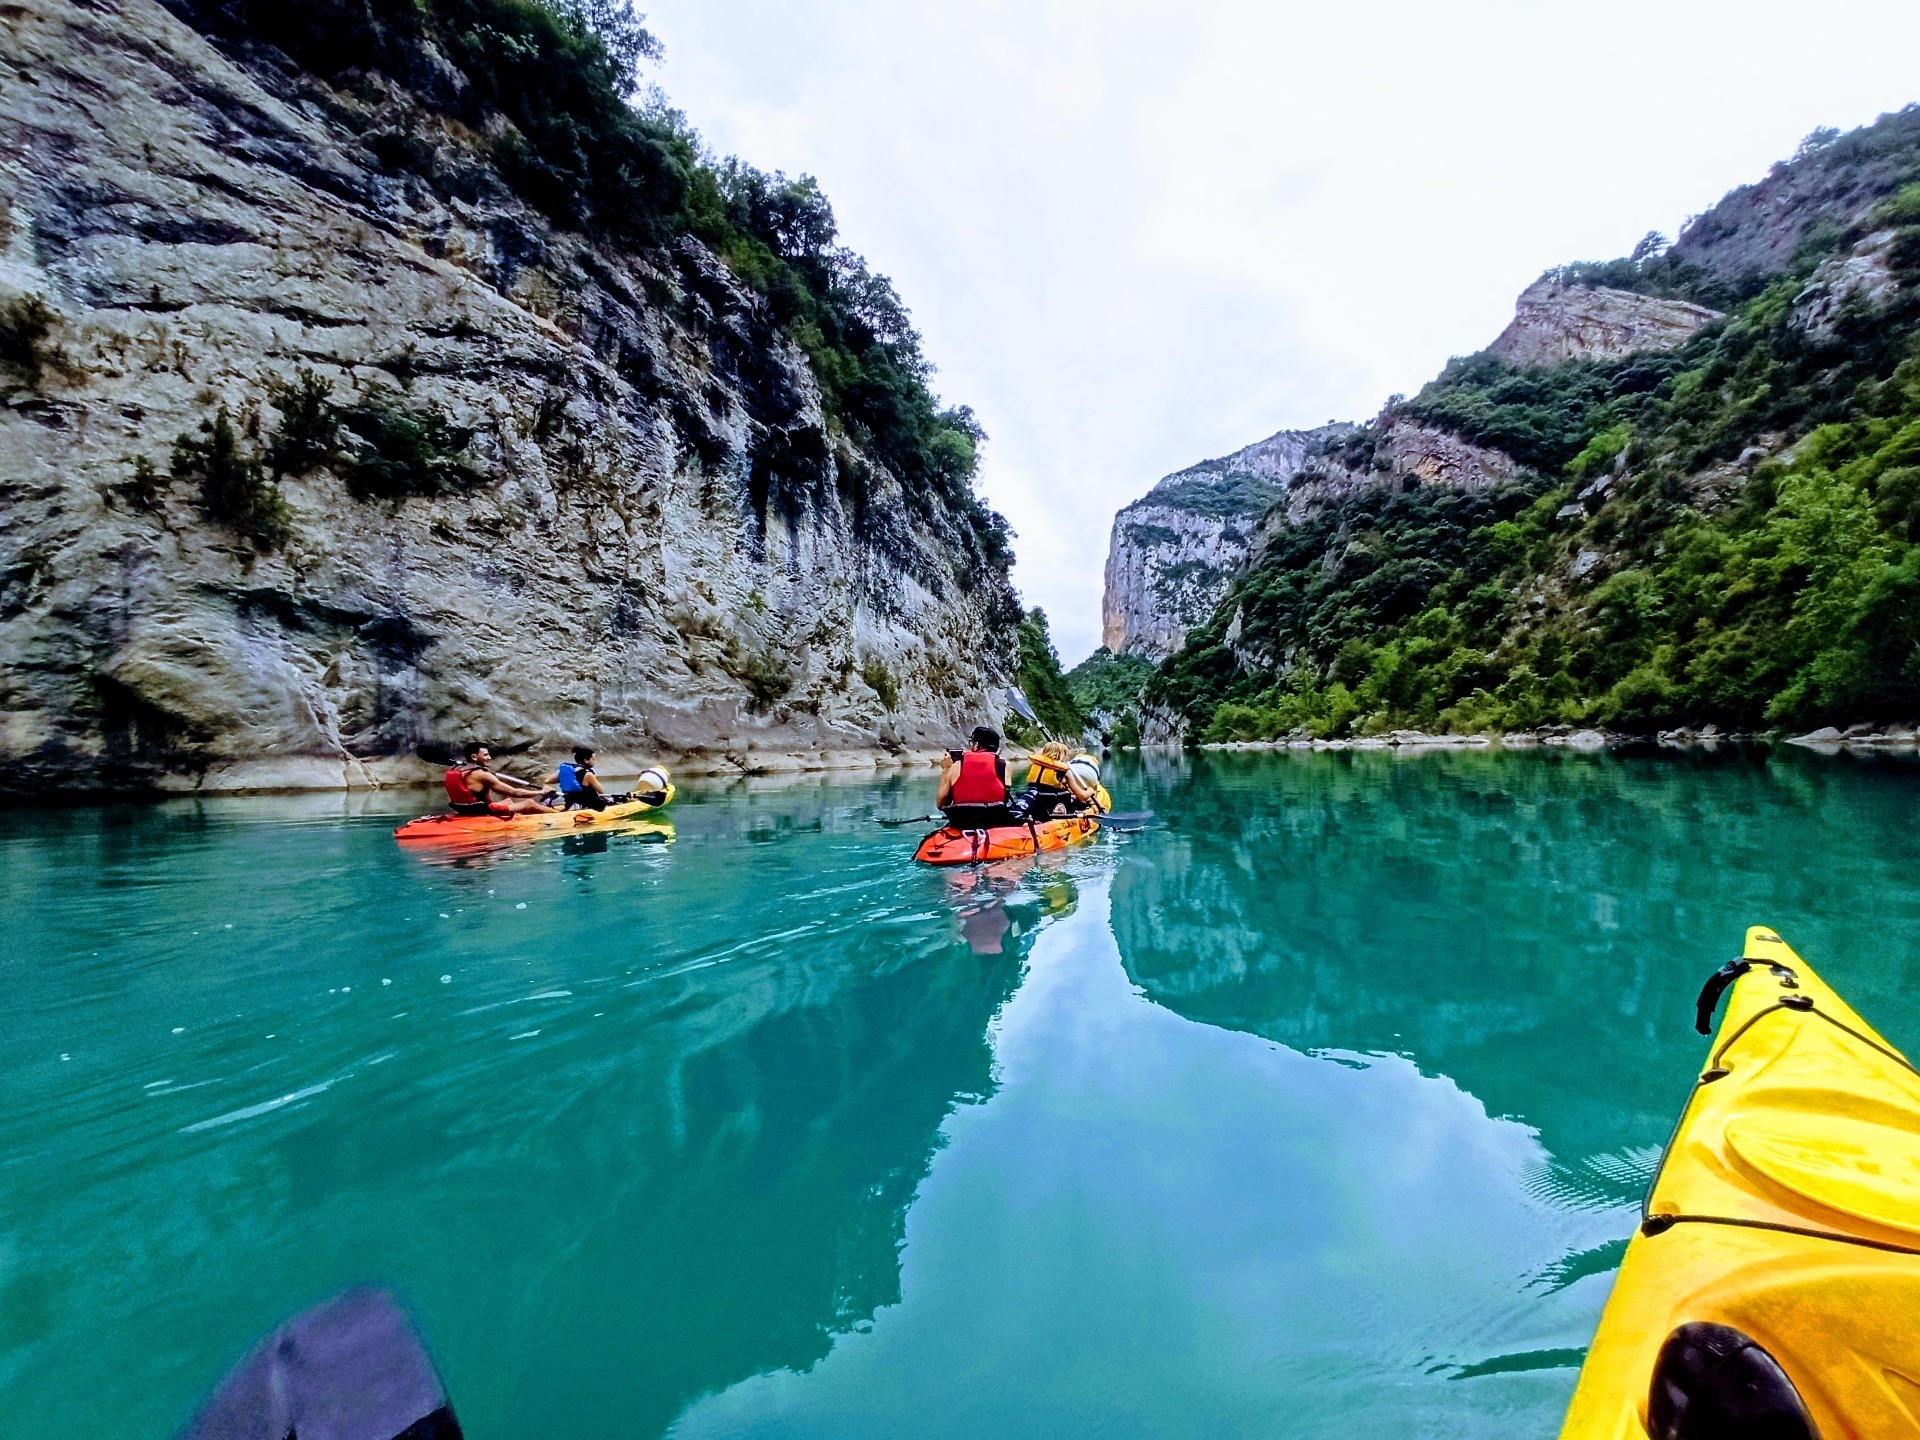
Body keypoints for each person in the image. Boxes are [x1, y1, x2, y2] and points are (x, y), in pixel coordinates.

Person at [936, 725, 1016, 828]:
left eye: (972, 743)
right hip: (995, 823)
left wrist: (946, 770)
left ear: (976, 745)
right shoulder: (1006, 766)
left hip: (962, 823)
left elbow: (940, 804)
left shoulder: (956, 766)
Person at [444, 742, 552, 816]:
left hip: (465, 810)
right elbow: (515, 792)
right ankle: (559, 815)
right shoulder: (482, 775)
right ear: (474, 757)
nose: (489, 758)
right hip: (483, 812)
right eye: (486, 755)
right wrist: (541, 792)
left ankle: (544, 811)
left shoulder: (459, 771)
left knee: (508, 801)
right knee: (529, 803)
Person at [545, 747, 609, 811]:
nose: (595, 762)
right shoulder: (588, 774)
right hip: (588, 804)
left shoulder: (567, 770)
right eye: (593, 759)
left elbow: (547, 781)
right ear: (586, 760)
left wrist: (563, 779)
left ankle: (549, 809)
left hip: (570, 801)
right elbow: (601, 791)